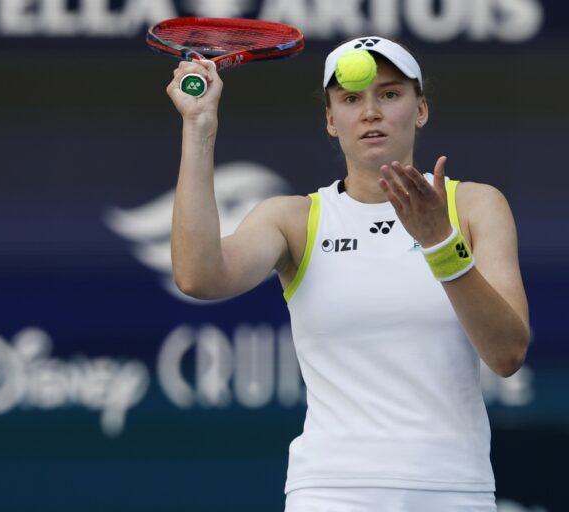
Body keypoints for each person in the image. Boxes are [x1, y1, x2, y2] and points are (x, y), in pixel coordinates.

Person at [166, 36, 530, 511]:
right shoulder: (293, 218)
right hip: (331, 492)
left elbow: (507, 354)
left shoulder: (476, 206)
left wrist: (440, 242)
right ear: (331, 121)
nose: (371, 111)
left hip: (452, 489)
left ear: (421, 110)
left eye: (390, 94)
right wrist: (199, 126)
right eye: (352, 99)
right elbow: (198, 276)